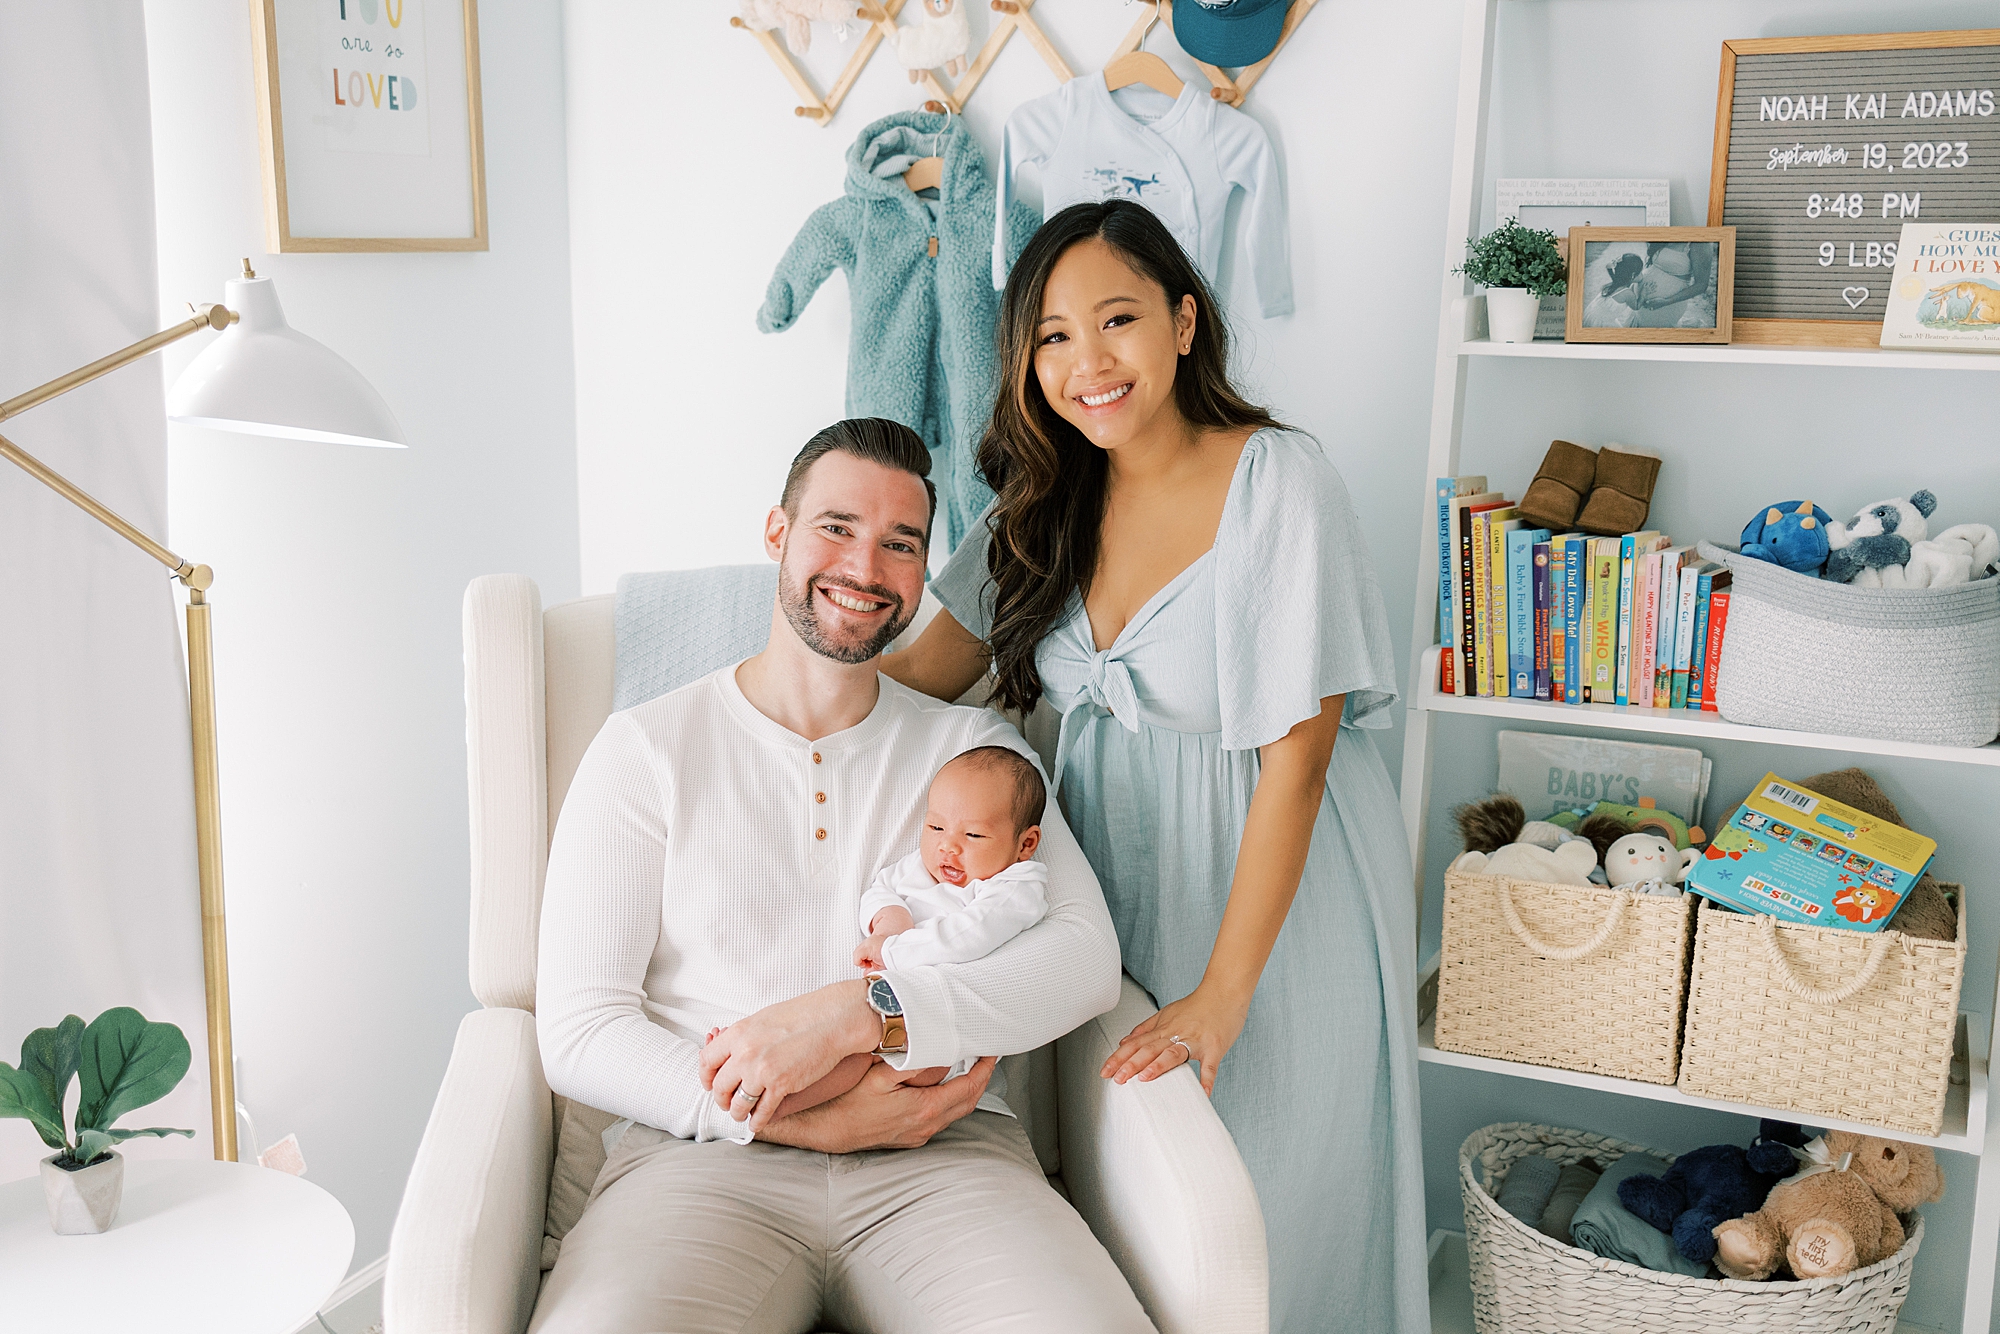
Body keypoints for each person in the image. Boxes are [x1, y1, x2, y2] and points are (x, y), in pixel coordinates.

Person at [885, 200, 1430, 1333]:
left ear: (1183, 323)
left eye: (1117, 318)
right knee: (1135, 1213)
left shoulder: (1278, 480)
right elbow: (909, 681)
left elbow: (1300, 755)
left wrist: (1223, 996)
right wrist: (745, 698)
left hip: (1269, 898)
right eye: (1051, 335)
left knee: (1270, 1212)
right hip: (1105, 888)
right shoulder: (1037, 505)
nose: (1088, 360)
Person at [531, 417, 1153, 1333]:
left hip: (946, 1155)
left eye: (901, 544)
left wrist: (868, 1013)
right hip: (696, 1163)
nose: (866, 568)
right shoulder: (646, 750)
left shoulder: (973, 751)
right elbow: (579, 1027)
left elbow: (1086, 958)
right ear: (778, 534)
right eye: (836, 528)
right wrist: (798, 1118)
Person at [714, 744, 1052, 1121]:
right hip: (885, 1006)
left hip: (940, 1039)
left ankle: (775, 1105)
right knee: (835, 1047)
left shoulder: (1016, 887)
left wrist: (894, 952)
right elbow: (881, 889)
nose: (948, 845)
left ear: (1025, 844)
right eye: (935, 827)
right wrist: (891, 923)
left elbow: (966, 937)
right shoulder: (925, 866)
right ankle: (748, 1066)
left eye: (973, 835)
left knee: (860, 1061)